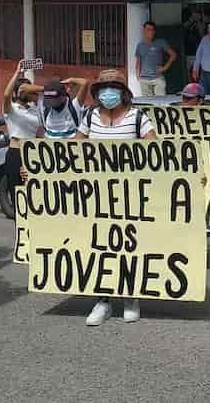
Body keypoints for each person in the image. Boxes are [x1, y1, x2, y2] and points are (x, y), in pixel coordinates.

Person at [76, 69, 157, 326]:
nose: (108, 92)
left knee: (130, 248)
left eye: (113, 87)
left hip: (131, 196)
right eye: (103, 88)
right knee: (100, 248)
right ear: (97, 93)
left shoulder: (137, 118)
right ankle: (103, 300)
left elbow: (159, 152)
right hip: (97, 196)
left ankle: (131, 297)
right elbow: (71, 151)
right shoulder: (89, 117)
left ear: (124, 92)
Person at [1, 66, 41, 214]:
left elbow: (40, 133)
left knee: (33, 193)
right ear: (17, 93)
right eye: (23, 90)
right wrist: (17, 72)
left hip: (32, 154)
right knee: (18, 194)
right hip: (16, 153)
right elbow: (5, 95)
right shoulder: (11, 109)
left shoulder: (35, 110)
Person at [136, 21, 177, 96]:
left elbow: (173, 55)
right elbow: (138, 61)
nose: (150, 32)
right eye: (148, 29)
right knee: (147, 104)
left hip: (158, 79)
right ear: (144, 31)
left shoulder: (160, 42)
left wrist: (165, 68)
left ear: (154, 31)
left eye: (152, 30)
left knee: (160, 103)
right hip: (144, 79)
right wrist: (138, 76)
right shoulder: (140, 45)